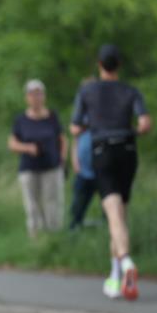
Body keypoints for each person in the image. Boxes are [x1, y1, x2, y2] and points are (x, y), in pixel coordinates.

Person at [71, 44, 152, 301]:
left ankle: (126, 262)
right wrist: (129, 131)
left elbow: (74, 127)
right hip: (127, 151)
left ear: (99, 64)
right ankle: (115, 277)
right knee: (119, 216)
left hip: (102, 152)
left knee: (113, 215)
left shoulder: (87, 91)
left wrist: (92, 124)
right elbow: (145, 123)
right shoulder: (131, 91)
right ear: (119, 65)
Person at [7, 79, 67, 237]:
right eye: (32, 94)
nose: (36, 98)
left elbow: (62, 139)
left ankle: (53, 236)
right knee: (32, 205)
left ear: (44, 96)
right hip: (29, 167)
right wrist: (27, 148)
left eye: (39, 94)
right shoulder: (21, 120)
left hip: (51, 167)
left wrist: (62, 159)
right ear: (27, 97)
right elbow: (12, 143)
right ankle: (36, 237)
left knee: (52, 202)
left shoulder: (52, 116)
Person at [69, 78, 99, 230]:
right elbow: (75, 136)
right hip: (83, 166)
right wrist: (74, 159)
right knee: (79, 201)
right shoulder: (80, 112)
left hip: (101, 165)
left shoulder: (104, 109)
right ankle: (75, 227)